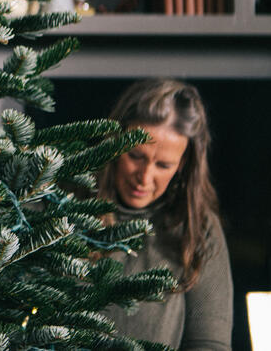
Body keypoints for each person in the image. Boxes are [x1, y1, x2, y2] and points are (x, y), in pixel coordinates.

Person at [99, 79, 233, 349]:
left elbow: (209, 343)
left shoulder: (197, 226)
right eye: (136, 156)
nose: (144, 178)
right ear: (114, 142)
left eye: (163, 165)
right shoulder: (64, 210)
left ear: (183, 165)